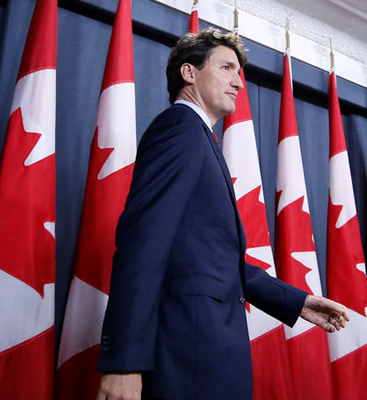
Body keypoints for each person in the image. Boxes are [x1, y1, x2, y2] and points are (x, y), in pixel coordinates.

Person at [96, 28, 349, 400]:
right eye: (227, 68)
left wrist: (296, 301)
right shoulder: (179, 128)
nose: (238, 83)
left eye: (239, 72)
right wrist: (124, 362)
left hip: (208, 351)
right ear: (189, 73)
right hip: (188, 354)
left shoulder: (199, 136)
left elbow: (212, 257)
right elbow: (143, 243)